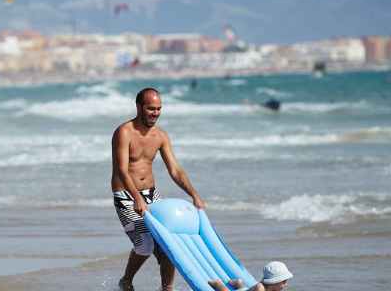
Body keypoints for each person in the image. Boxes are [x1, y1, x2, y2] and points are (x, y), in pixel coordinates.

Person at [113, 87, 207, 291]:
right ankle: (126, 281)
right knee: (145, 245)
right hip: (126, 196)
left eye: (158, 108)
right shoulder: (124, 132)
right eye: (150, 108)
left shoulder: (161, 136)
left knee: (168, 245)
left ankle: (167, 288)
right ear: (139, 107)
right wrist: (136, 198)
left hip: (151, 195)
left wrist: (194, 195)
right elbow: (122, 170)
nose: (155, 113)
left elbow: (175, 170)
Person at [208, 261, 293, 291]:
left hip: (245, 289)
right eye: (284, 282)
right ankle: (218, 284)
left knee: (242, 288)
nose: (286, 284)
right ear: (275, 281)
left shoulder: (274, 288)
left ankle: (238, 283)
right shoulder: (260, 288)